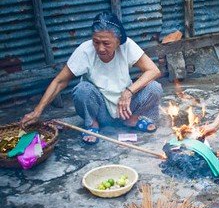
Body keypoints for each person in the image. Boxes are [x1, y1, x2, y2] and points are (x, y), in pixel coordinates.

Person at [21, 11, 163, 144]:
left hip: (125, 108)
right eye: (96, 42)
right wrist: (37, 111)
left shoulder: (127, 46)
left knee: (154, 87)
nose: (100, 48)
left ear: (118, 41)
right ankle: (92, 124)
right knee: (82, 89)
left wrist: (128, 92)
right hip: (100, 110)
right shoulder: (85, 50)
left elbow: (153, 70)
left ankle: (131, 120)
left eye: (106, 43)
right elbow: (59, 81)